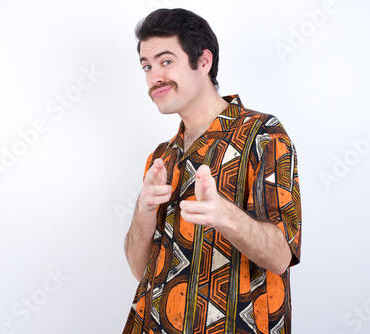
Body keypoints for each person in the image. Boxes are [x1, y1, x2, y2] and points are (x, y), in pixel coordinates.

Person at [123, 8, 302, 334]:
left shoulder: (263, 135)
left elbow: (280, 258)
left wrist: (224, 215)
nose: (153, 77)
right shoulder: (161, 157)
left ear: (203, 62)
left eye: (165, 61)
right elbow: (140, 269)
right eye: (146, 66)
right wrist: (144, 209)